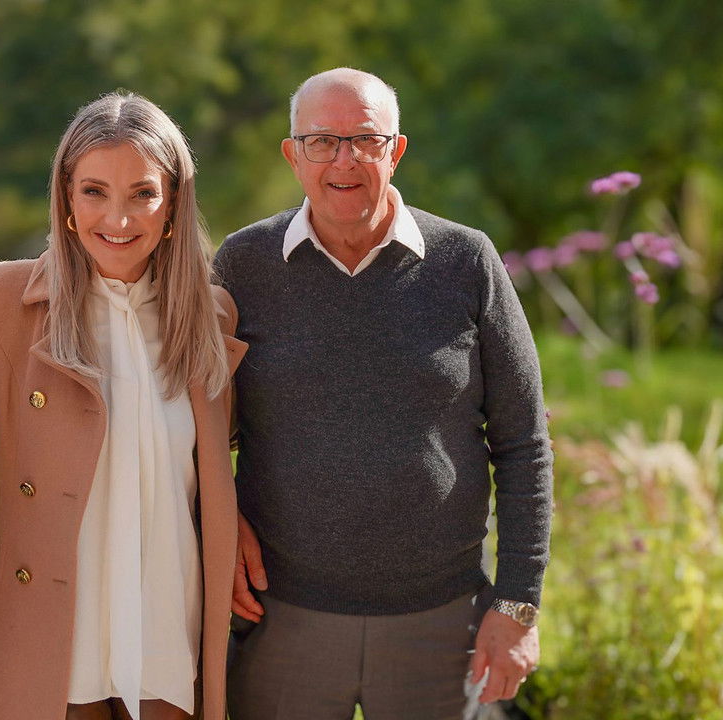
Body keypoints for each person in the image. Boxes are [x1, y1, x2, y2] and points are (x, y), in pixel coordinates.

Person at [214, 67, 553, 719]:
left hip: (442, 624)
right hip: (280, 620)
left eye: (365, 140)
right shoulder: (243, 265)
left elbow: (524, 445)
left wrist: (516, 605)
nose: (344, 160)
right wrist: (219, 519)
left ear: (395, 151)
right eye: (321, 141)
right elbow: (191, 426)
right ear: (292, 155)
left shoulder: (467, 262)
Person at [0, 92, 245, 720]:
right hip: (50, 629)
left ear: (174, 204)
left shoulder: (211, 317)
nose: (118, 218)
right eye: (95, 191)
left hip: (166, 622)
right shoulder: (7, 298)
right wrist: (11, 463)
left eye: (143, 194)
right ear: (66, 201)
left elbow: (216, 468)